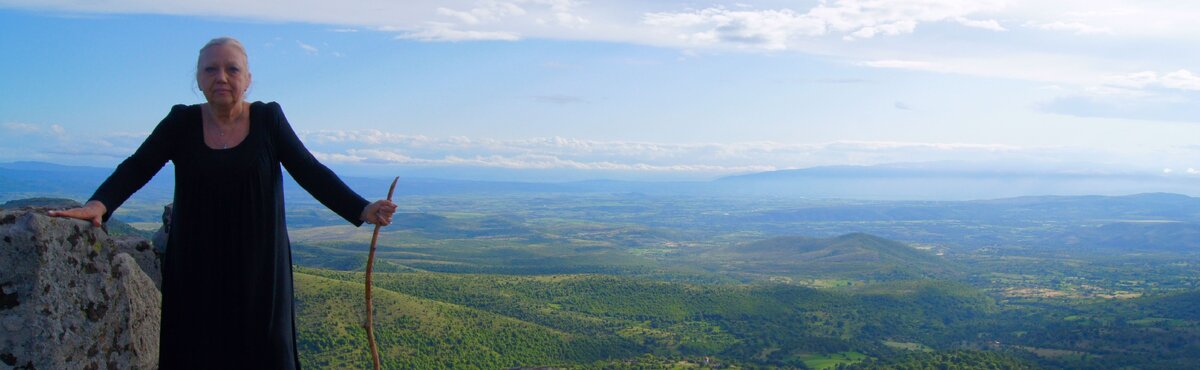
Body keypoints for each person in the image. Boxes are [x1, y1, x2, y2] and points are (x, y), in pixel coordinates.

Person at [49, 36, 397, 369]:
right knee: (197, 352)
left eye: (232, 69)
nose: (221, 77)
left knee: (267, 353)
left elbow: (309, 170)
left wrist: (361, 208)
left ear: (248, 79)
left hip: (261, 270)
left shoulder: (268, 119)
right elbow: (138, 166)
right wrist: (101, 204)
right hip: (196, 268)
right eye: (210, 70)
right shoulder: (181, 122)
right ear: (198, 79)